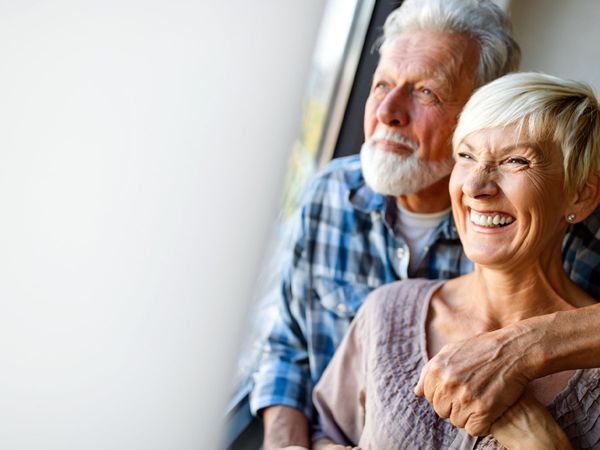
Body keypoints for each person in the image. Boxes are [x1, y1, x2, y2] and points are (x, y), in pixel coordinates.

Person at [249, 0, 600, 448]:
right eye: (381, 85)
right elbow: (288, 347)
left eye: (425, 92)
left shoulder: (572, 233)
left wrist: (524, 347)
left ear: (483, 108)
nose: (386, 112)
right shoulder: (330, 195)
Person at [313, 71, 600, 449]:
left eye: (516, 160)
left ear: (580, 196)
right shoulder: (388, 310)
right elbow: (323, 435)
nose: (475, 187)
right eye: (466, 155)